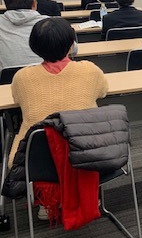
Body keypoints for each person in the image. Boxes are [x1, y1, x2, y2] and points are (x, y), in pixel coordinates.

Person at [9, 17, 108, 165]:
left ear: (34, 46)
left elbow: (17, 100)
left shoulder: (22, 77)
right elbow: (102, 92)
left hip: (33, 159)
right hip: (87, 153)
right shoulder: (90, 70)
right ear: (72, 45)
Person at [0, 0, 48, 72]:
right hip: (44, 77)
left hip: (6, 79)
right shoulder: (49, 23)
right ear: (34, 3)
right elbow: (72, 48)